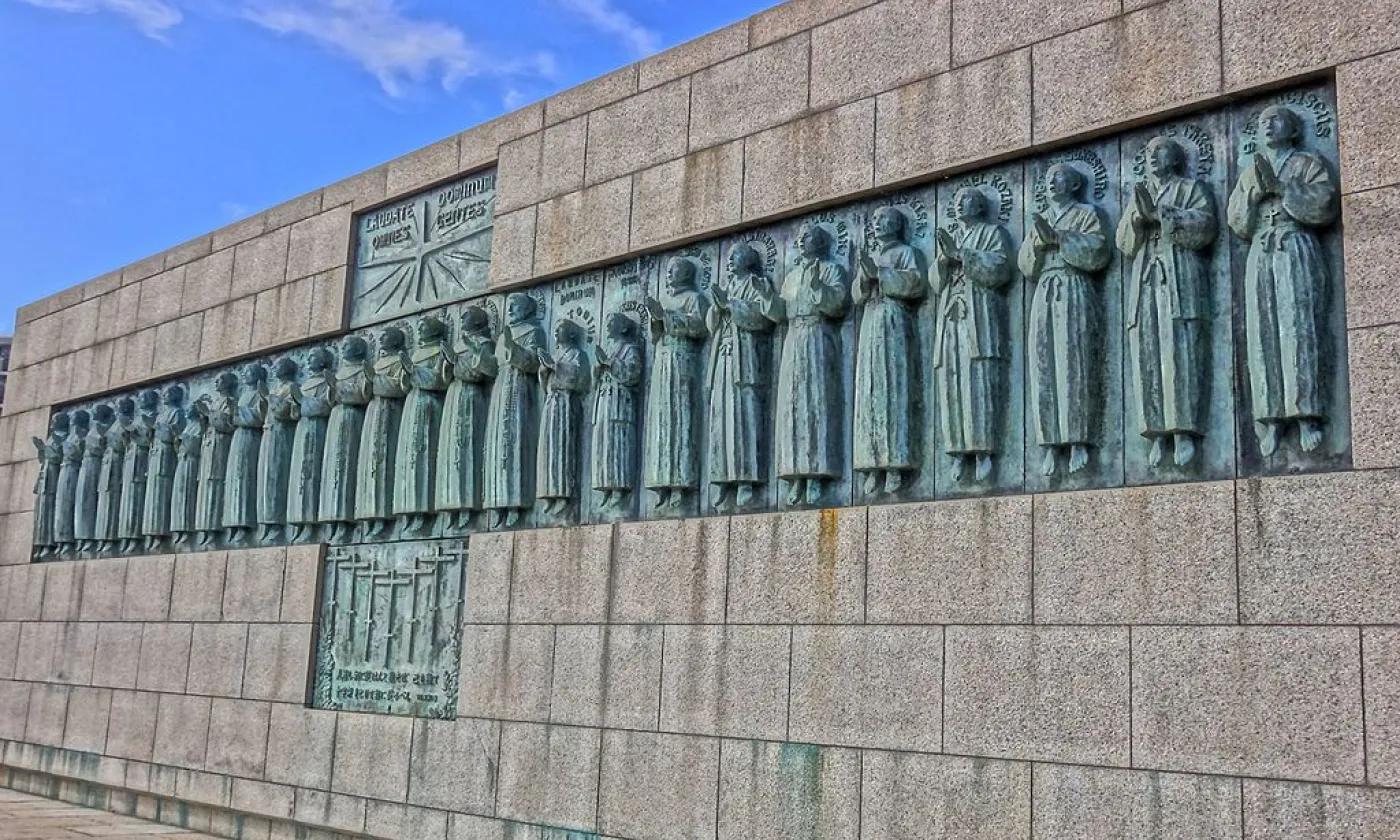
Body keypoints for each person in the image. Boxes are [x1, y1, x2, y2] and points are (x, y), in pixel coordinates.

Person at [1227, 104, 1340, 456]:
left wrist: (1283, 190)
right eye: (1263, 122)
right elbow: (1237, 221)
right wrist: (1255, 195)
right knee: (1263, 333)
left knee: (1299, 327)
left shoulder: (1308, 163)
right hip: (1261, 250)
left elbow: (1324, 202)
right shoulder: (1250, 173)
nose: (1268, 126)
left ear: (1292, 130)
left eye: (1276, 120)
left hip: (1294, 244)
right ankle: (1271, 418)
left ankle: (1306, 414)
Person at [1119, 136, 1218, 468]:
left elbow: (1205, 226)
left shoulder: (1192, 189)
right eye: (1148, 153)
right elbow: (1123, 243)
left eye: (1158, 152)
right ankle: (1156, 432)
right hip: (1147, 278)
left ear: (1174, 158)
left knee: (1181, 351)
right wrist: (1138, 221)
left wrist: (1164, 215)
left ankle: (1184, 432)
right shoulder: (1140, 195)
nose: (1152, 158)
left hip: (1179, 278)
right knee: (1148, 351)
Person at [1019, 163, 1113, 477]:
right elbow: (1026, 265)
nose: (1050, 182)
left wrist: (1060, 239)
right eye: (1047, 178)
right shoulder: (1041, 219)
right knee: (1044, 366)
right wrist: (1038, 243)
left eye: (1057, 177)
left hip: (1074, 287)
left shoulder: (1088, 213)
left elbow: (1099, 251)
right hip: (1045, 289)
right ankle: (1050, 444)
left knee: (1075, 364)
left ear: (1073, 185)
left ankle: (1078, 442)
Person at [932, 188, 1015, 483]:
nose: (958, 205)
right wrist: (943, 263)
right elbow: (935, 282)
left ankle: (983, 451)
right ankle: (957, 452)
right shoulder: (954, 236)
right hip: (951, 318)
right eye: (955, 201)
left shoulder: (993, 233)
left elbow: (1001, 268)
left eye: (964, 200)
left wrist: (964, 256)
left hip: (978, 317)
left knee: (978, 383)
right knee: (951, 383)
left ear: (979, 206)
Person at [853, 206, 926, 496]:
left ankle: (895, 464)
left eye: (883, 219)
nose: (878, 223)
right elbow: (857, 297)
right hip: (871, 322)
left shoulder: (907, 253)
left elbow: (915, 283)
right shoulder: (871, 256)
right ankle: (871, 465)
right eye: (875, 220)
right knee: (869, 395)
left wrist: (881, 274)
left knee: (893, 391)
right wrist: (866, 277)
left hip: (894, 321)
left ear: (896, 224)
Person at [775, 223, 849, 506]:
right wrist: (768, 301)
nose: (800, 241)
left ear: (819, 242)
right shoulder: (792, 276)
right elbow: (780, 313)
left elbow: (839, 304)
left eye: (806, 237)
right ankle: (795, 476)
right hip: (794, 339)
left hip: (819, 336)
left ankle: (817, 475)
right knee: (792, 408)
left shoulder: (832, 269)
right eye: (800, 237)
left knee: (817, 404)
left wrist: (820, 289)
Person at [707, 243, 781, 511]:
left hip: (746, 360)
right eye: (727, 257)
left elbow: (764, 318)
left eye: (734, 256)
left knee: (744, 420)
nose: (729, 261)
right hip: (723, 360)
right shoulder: (727, 285)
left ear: (747, 260)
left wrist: (733, 307)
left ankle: (746, 481)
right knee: (720, 422)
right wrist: (717, 308)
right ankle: (723, 480)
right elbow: (711, 325)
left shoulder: (758, 283)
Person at [643, 258, 709, 512]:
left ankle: (681, 485)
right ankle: (661, 484)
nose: (669, 273)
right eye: (667, 270)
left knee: (681, 423)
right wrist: (657, 319)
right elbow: (657, 335)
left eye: (674, 269)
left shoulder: (695, 298)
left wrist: (667, 316)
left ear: (686, 273)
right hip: (662, 363)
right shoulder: (667, 300)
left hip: (683, 363)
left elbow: (700, 327)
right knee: (661, 425)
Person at [483, 293, 545, 529]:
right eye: (508, 307)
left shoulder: (533, 331)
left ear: (527, 309)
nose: (509, 311)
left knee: (515, 443)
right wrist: (481, 358)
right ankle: (497, 502)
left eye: (515, 307)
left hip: (519, 388)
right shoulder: (503, 336)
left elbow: (534, 361)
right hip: (500, 389)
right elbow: (495, 366)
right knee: (498, 445)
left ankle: (516, 503)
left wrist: (515, 350)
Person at [437, 306, 497, 531]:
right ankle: (450, 506)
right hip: (454, 398)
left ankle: (466, 507)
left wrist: (456, 362)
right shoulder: (459, 343)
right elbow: (444, 377)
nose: (462, 318)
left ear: (478, 320)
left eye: (467, 315)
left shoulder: (484, 343)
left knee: (467, 452)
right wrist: (449, 362)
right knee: (450, 454)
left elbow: (479, 372)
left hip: (471, 399)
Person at [395, 317, 452, 537]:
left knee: (423, 457)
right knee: (408, 460)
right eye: (418, 328)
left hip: (429, 407)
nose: (420, 331)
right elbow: (403, 384)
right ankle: (407, 512)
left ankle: (422, 513)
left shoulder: (440, 351)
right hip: (412, 406)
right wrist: (407, 374)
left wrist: (414, 371)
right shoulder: (416, 353)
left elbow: (439, 380)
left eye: (424, 327)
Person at [357, 327, 410, 539]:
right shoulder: (377, 364)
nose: (381, 339)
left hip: (390, 414)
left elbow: (400, 386)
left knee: (383, 464)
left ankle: (382, 515)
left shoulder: (400, 360)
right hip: (373, 415)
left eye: (386, 336)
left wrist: (375, 380)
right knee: (369, 465)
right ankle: (368, 515)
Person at [537, 318, 591, 520]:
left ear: (570, 333)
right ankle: (549, 494)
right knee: (548, 451)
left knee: (562, 450)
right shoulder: (557, 353)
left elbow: (581, 381)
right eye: (556, 328)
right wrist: (544, 371)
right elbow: (546, 384)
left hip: (567, 405)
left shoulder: (578, 354)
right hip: (552, 404)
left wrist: (557, 368)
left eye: (560, 329)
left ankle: (564, 496)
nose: (556, 332)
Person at [319, 337, 373, 543]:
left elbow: (363, 394)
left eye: (348, 346)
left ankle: (345, 520)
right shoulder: (339, 373)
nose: (344, 349)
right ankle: (331, 520)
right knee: (332, 469)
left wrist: (339, 389)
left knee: (346, 469)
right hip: (336, 420)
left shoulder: (363, 369)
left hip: (352, 421)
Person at [591, 312, 643, 513]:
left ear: (623, 328)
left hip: (620, 403)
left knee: (618, 445)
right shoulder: (610, 349)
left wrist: (610, 363)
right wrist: (599, 368)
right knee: (603, 445)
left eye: (612, 322)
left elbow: (633, 374)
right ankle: (606, 487)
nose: (608, 325)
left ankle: (619, 489)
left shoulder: (630, 349)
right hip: (604, 402)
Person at [286, 348, 333, 543]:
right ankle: (299, 523)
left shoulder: (327, 382)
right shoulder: (304, 385)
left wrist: (305, 403)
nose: (309, 360)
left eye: (313, 357)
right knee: (299, 477)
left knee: (311, 475)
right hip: (302, 432)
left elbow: (325, 405)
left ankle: (311, 523)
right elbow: (293, 412)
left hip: (316, 431)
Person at [224, 364, 268, 546]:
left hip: (251, 439)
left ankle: (244, 525)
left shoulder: (259, 394)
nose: (244, 374)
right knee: (234, 481)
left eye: (248, 371)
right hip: (238, 440)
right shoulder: (243, 396)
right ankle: (233, 525)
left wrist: (238, 411)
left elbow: (258, 417)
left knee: (245, 480)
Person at [258, 358, 301, 543]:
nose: (274, 369)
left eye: (277, 366)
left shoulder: (291, 388)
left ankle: (276, 524)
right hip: (268, 435)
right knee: (264, 479)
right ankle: (265, 523)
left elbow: (287, 412)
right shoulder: (275, 390)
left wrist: (273, 400)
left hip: (281, 436)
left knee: (276, 477)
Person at [194, 374, 236, 549]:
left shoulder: (230, 401)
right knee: (205, 488)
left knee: (215, 488)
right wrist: (203, 417)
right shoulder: (216, 402)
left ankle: (213, 531)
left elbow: (227, 423)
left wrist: (209, 413)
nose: (216, 383)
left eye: (220, 380)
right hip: (209, 449)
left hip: (220, 449)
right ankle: (204, 531)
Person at [143, 385, 185, 552]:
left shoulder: (177, 413)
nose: (164, 397)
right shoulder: (161, 415)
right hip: (155, 456)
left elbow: (176, 435)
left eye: (167, 394)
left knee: (161, 495)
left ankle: (161, 534)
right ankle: (151, 534)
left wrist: (160, 430)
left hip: (167, 457)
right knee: (152, 497)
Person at [31, 412, 68, 559]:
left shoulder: (65, 436)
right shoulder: (52, 437)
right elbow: (44, 459)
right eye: (51, 421)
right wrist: (41, 449)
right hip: (45, 477)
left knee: (51, 512)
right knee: (41, 513)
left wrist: (45, 449)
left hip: (55, 477)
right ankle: (41, 545)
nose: (52, 424)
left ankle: (50, 544)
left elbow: (60, 456)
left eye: (55, 421)